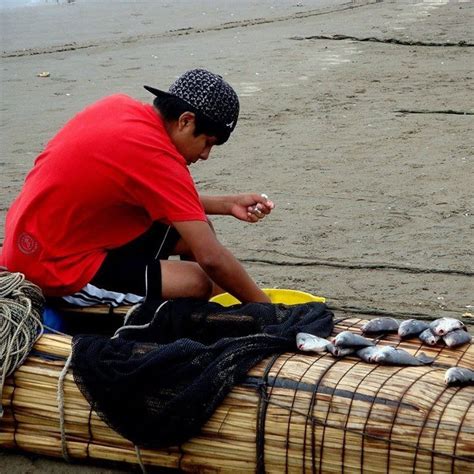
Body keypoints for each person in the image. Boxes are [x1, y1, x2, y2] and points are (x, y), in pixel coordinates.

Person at [0, 68, 274, 307]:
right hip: (51, 268)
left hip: (36, 242)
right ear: (186, 121)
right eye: (207, 142)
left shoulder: (120, 108)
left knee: (193, 232)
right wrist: (269, 308)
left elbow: (169, 200)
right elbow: (211, 258)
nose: (205, 155)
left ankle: (214, 308)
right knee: (198, 280)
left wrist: (227, 204)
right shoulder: (157, 157)